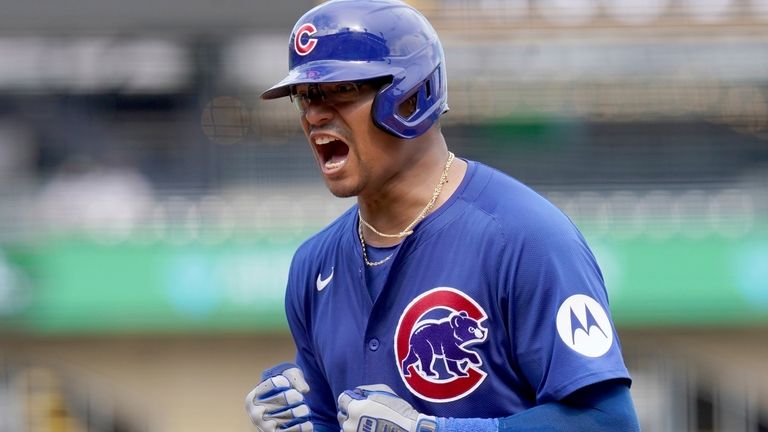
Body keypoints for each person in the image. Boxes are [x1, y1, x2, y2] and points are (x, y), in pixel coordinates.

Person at [245, 1, 641, 431]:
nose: (315, 114)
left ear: (411, 95)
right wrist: (300, 423)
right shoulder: (314, 264)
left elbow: (609, 423)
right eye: (305, 96)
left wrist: (435, 431)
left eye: (342, 90)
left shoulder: (526, 238)